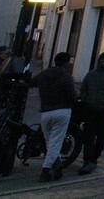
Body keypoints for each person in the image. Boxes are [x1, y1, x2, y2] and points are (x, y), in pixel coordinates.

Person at [30, 52, 76, 182]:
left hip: (46, 111)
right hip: (62, 111)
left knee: (50, 142)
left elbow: (32, 82)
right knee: (55, 142)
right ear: (66, 63)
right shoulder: (66, 76)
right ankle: (45, 171)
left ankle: (58, 167)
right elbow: (71, 95)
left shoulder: (45, 74)